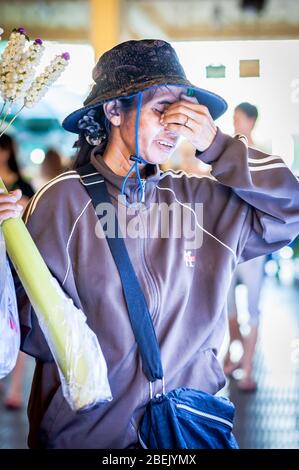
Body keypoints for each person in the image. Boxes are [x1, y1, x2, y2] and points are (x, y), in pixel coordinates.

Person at [0, 39, 299, 449]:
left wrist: (219, 146)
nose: (175, 126)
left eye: (185, 113)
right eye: (162, 110)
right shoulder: (62, 202)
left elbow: (291, 208)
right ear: (114, 110)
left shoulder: (202, 201)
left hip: (187, 434)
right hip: (88, 438)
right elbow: (17, 321)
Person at [224, 103, 265, 392]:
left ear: (250, 121)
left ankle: (247, 367)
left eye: (239, 118)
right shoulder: (227, 153)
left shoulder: (262, 157)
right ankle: (235, 348)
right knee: (227, 307)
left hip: (254, 244)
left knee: (253, 309)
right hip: (230, 244)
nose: (236, 122)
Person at [0, 133, 34, 410]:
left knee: (16, 320)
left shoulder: (22, 185)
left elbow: (33, 217)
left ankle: (14, 388)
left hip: (15, 261)